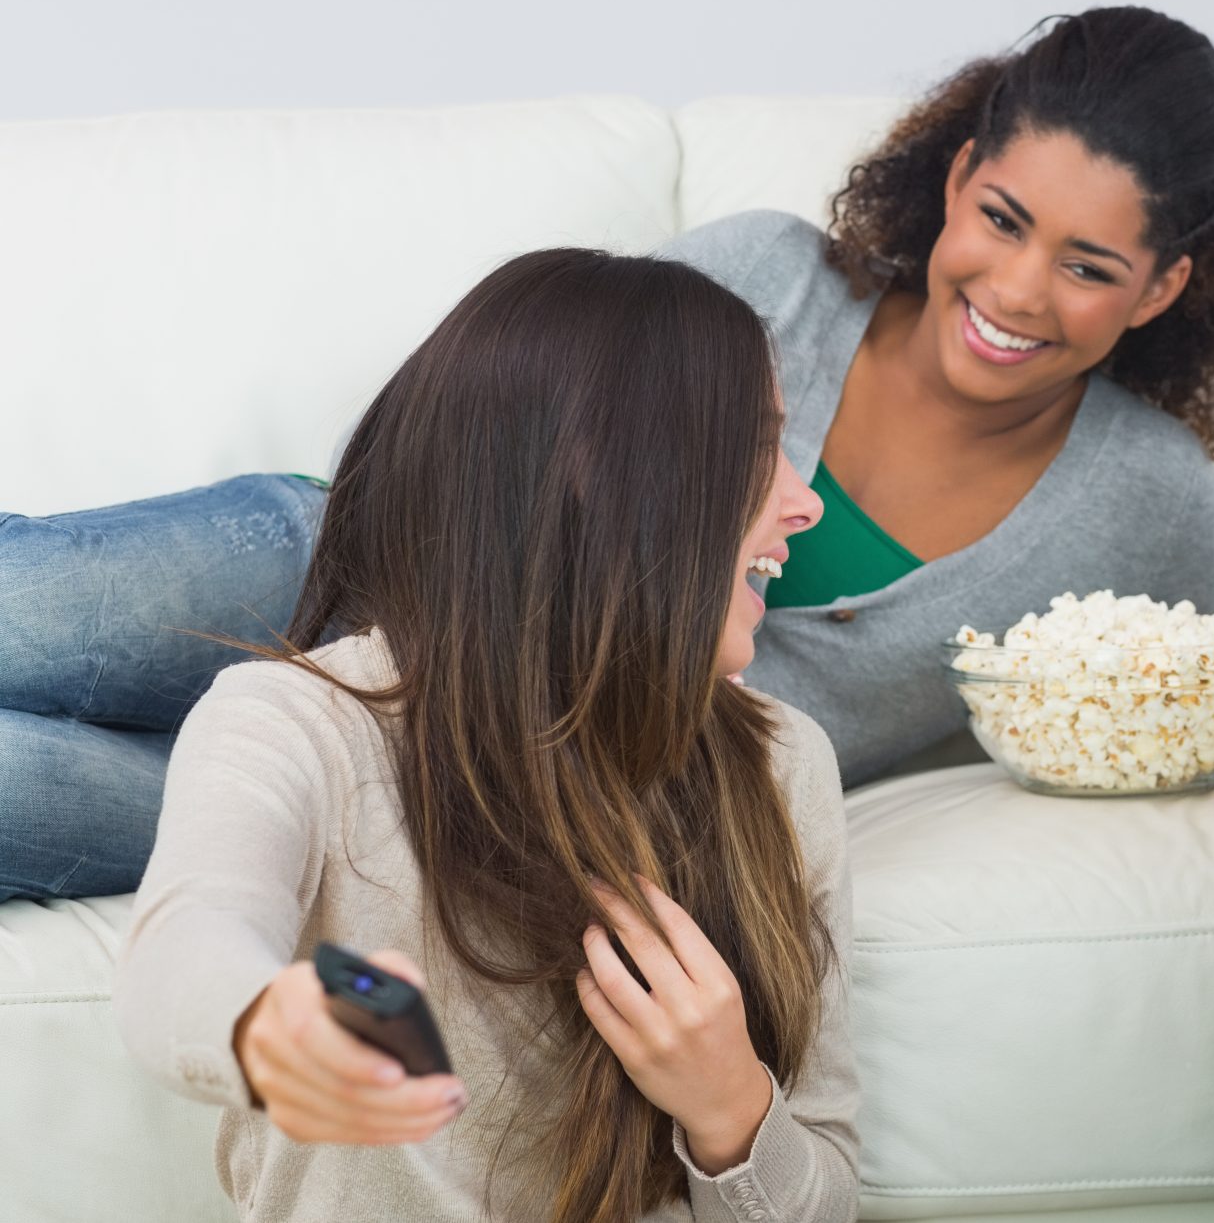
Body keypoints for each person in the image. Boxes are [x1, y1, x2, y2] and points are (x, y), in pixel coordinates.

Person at [0, 4, 1214, 901]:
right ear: (956, 180)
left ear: (1161, 288)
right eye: (1001, 219)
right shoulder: (768, 280)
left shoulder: (1144, 510)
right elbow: (479, 436)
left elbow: (1194, 713)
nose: (1014, 288)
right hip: (350, 565)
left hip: (467, 790)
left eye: (1087, 267)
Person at [115, 249, 857, 1223]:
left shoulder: (782, 761)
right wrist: (268, 1025)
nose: (803, 502)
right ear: (605, 471)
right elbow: (192, 931)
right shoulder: (300, 723)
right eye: (757, 449)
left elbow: (829, 1190)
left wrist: (732, 1108)